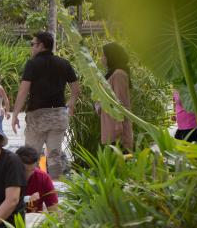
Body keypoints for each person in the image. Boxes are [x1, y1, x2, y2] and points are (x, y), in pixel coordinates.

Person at [11, 31, 81, 180]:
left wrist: (15, 114)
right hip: (58, 116)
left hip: (38, 117)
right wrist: (72, 103)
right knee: (54, 155)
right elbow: (76, 89)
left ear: (41, 46)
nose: (31, 48)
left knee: (30, 155)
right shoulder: (64, 63)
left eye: (33, 44)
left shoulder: (32, 64)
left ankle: (31, 190)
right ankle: (54, 191)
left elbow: (23, 91)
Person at [98, 42, 133, 151]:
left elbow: (120, 100)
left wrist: (119, 124)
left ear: (111, 56)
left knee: (120, 159)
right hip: (110, 123)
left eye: (104, 55)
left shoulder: (118, 74)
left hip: (116, 127)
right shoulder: (112, 73)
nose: (101, 58)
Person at [16, 146, 58, 213]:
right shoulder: (6, 177)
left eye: (32, 170)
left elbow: (54, 211)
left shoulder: (44, 178)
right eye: (24, 170)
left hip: (34, 220)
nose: (28, 175)